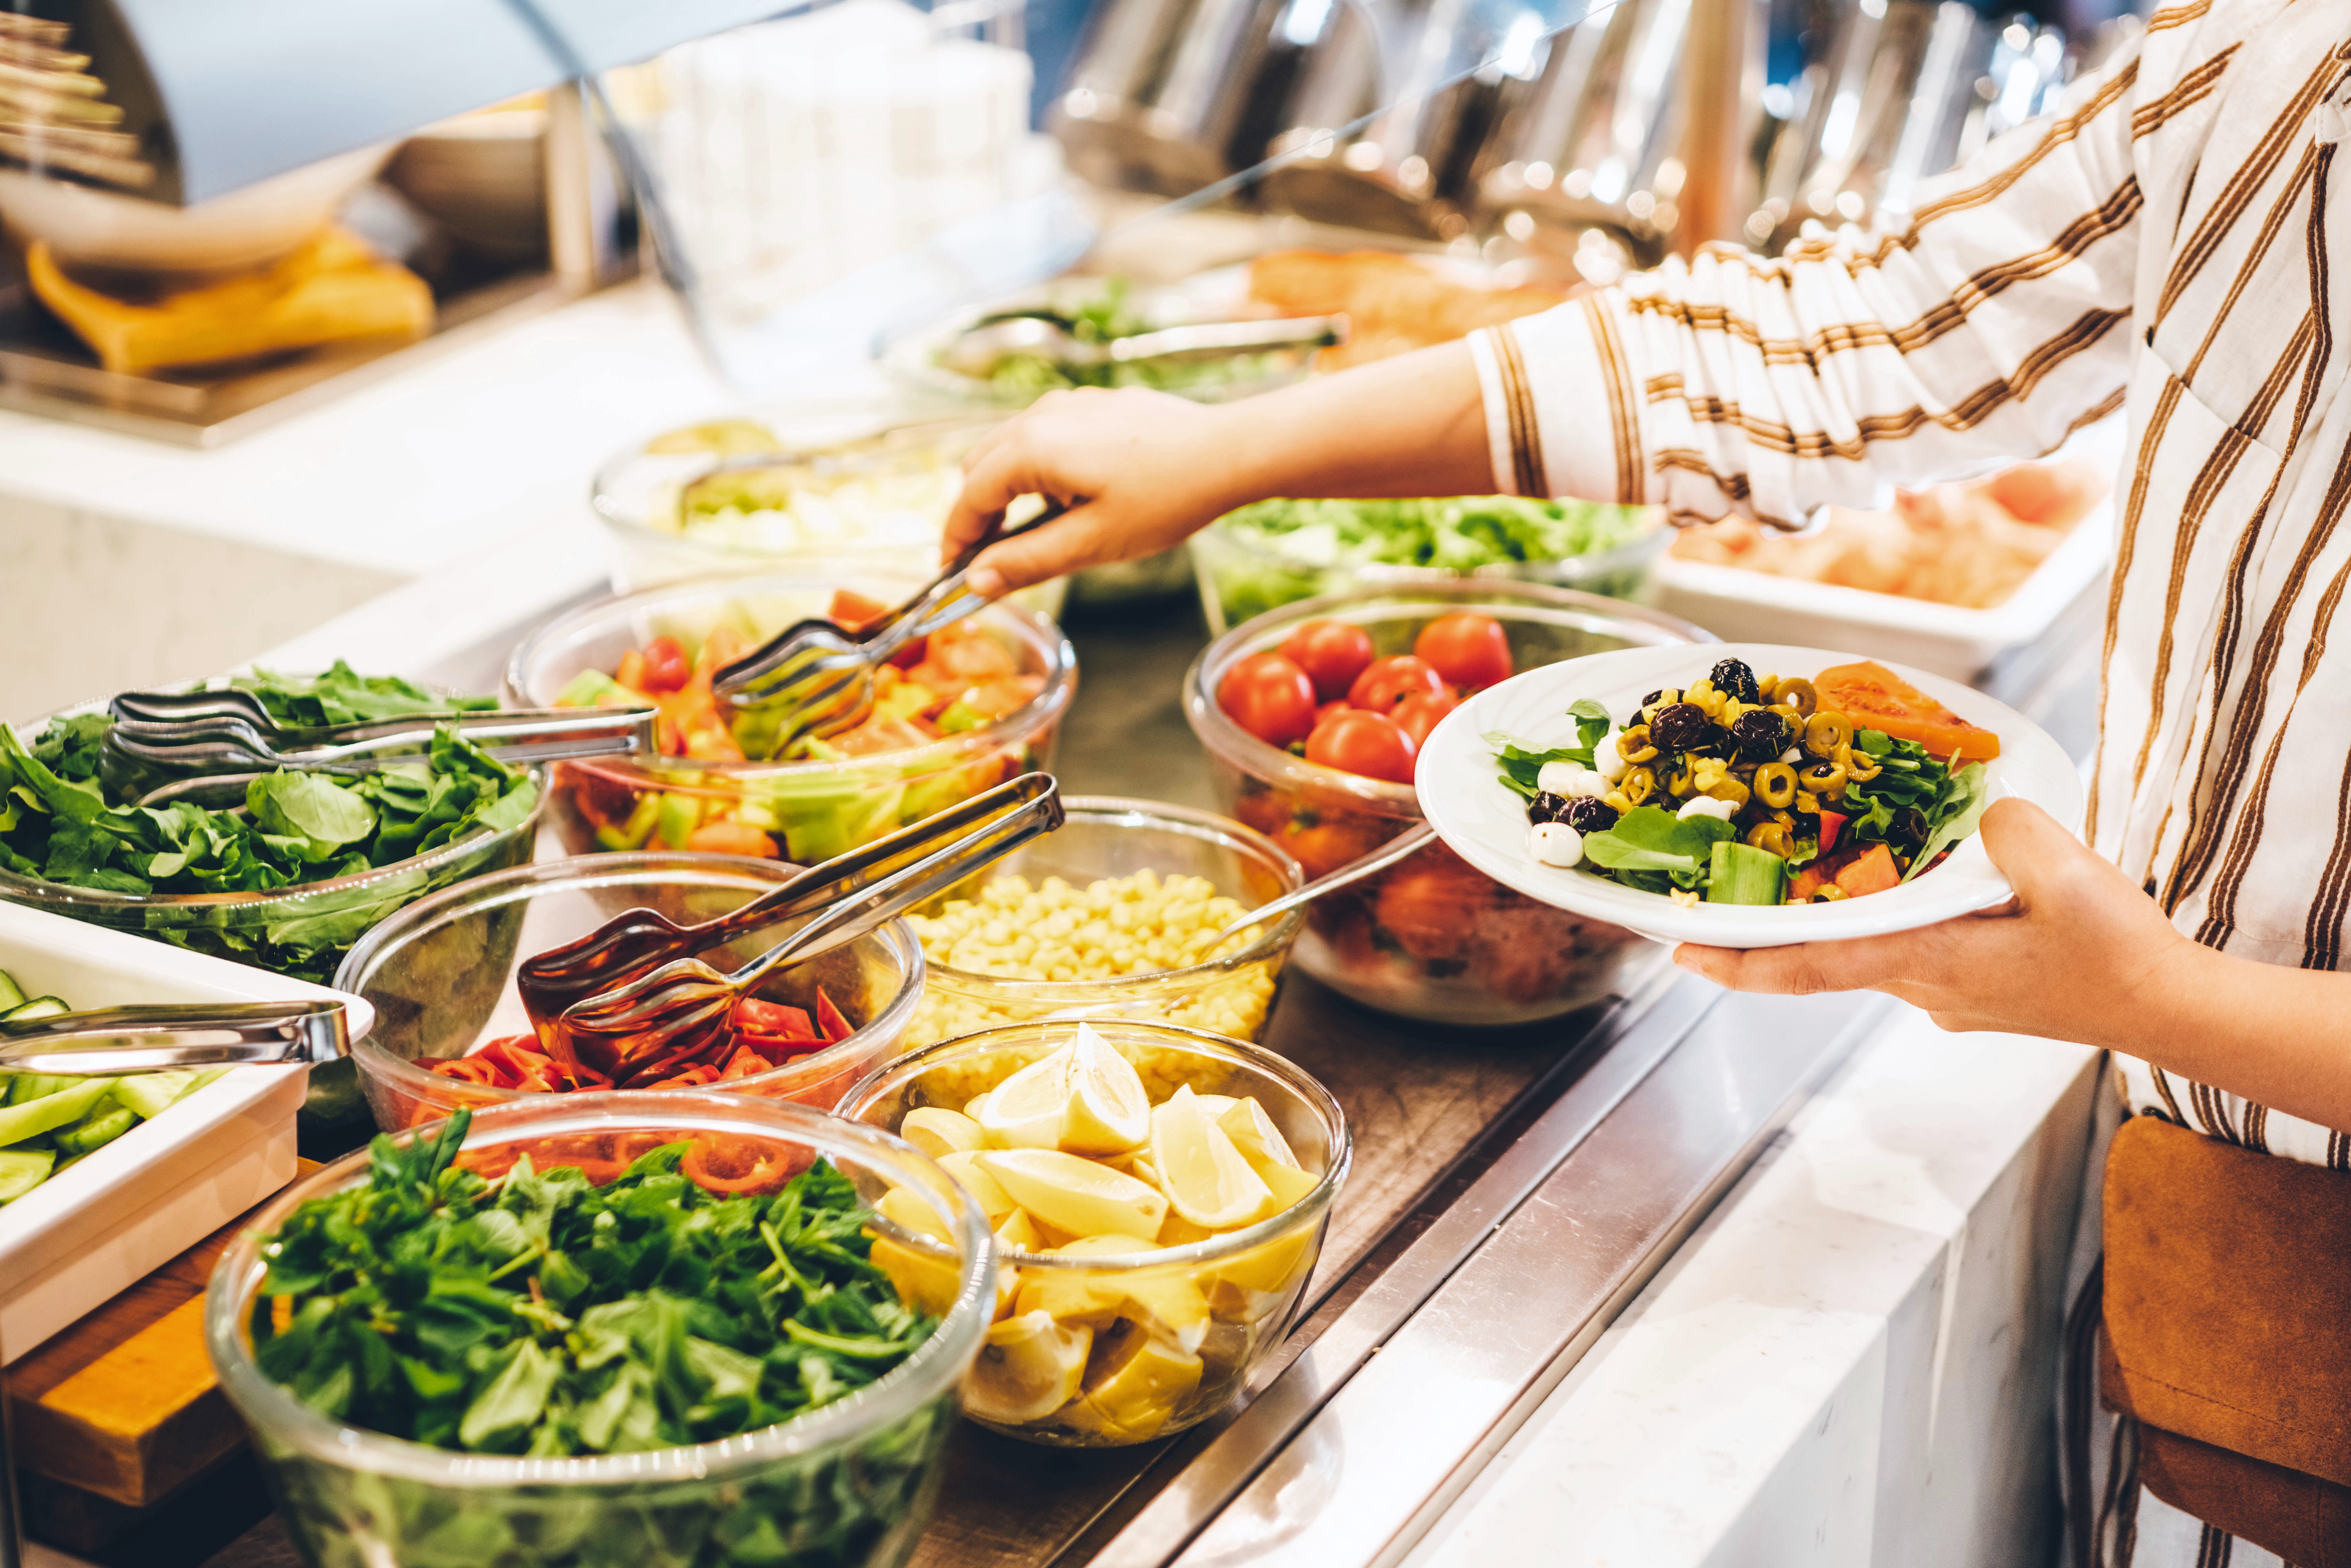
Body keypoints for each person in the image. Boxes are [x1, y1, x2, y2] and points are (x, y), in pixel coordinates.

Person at [944, 2, 2351, 1561]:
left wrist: (2153, 997)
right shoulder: (2275, 62)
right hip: (2210, 1276)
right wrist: (1237, 447)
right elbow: (1844, 336)